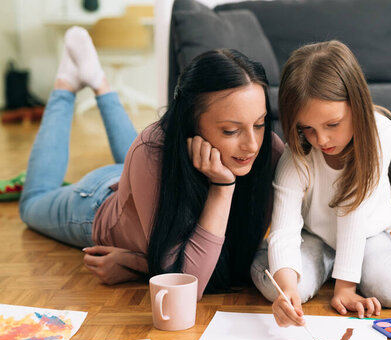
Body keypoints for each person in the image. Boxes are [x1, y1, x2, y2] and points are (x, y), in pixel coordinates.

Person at [19, 27, 283, 297]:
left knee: (144, 154)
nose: (252, 144)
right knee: (31, 205)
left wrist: (139, 264)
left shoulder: (270, 151)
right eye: (231, 131)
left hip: (142, 181)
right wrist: (222, 186)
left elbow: (230, 262)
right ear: (190, 124)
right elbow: (185, 285)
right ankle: (66, 84)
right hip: (98, 205)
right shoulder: (153, 153)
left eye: (260, 124)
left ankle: (100, 84)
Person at [251, 40, 391, 327]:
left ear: (357, 105)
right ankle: (316, 268)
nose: (321, 140)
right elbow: (285, 228)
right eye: (308, 129)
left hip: (367, 235)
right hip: (315, 237)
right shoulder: (297, 155)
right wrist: (287, 289)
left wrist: (346, 287)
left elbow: (352, 211)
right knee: (276, 287)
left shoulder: (380, 133)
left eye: (332, 125)